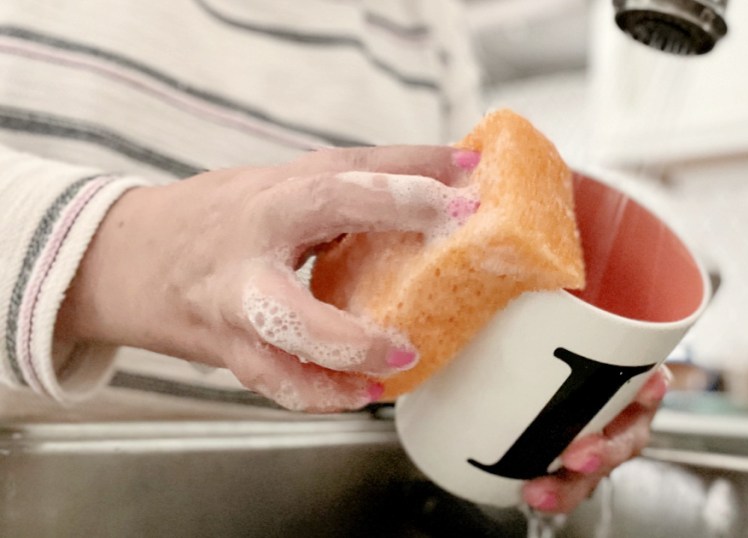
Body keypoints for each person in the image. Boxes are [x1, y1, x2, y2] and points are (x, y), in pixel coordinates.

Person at [0, 0, 671, 514]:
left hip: (317, 506)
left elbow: (445, 286)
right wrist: (137, 258)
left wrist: (540, 391)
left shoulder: (421, 19)